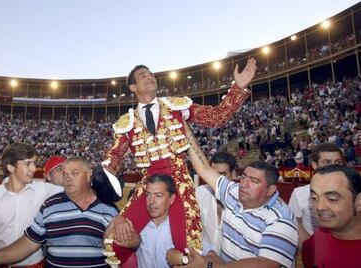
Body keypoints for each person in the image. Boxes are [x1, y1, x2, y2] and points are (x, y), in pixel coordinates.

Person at [104, 59, 256, 263]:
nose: (149, 77)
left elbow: (215, 117)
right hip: (147, 186)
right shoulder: (127, 123)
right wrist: (103, 174)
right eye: (143, 76)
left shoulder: (176, 106)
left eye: (150, 74)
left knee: (188, 249)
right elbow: (113, 158)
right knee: (115, 244)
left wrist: (238, 88)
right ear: (133, 87)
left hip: (180, 184)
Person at [179, 120, 298, 267]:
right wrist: (183, 126)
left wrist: (211, 267)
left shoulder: (281, 219)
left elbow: (266, 264)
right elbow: (204, 168)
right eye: (243, 177)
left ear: (271, 190)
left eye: (254, 181)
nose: (244, 184)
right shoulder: (233, 192)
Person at [0, 157, 118, 267]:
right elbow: (28, 243)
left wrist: (121, 218)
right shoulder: (50, 205)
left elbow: (121, 251)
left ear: (89, 174)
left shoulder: (109, 209)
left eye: (75, 173)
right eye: (65, 174)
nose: (68, 178)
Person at [0, 143, 63, 267]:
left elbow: (74, 190)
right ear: (10, 167)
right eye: (28, 164)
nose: (33, 169)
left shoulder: (43, 190)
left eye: (34, 163)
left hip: (35, 265)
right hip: (1, 264)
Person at [105, 174, 188, 268]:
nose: (151, 201)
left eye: (158, 196)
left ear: (171, 199)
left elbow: (207, 257)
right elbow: (106, 246)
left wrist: (183, 259)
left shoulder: (185, 226)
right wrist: (117, 219)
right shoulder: (138, 223)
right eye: (148, 195)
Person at [302, 165, 361, 267]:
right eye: (314, 198)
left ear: (358, 201)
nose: (319, 207)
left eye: (332, 199)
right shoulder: (317, 239)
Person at [288, 143, 343, 248]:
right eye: (327, 162)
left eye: (338, 162)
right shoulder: (300, 194)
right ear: (315, 165)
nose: (333, 166)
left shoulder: (354, 192)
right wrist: (312, 248)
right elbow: (295, 224)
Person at [195, 151, 236, 257]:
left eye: (222, 175)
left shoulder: (242, 199)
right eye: (213, 174)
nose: (217, 180)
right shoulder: (199, 193)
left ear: (233, 174)